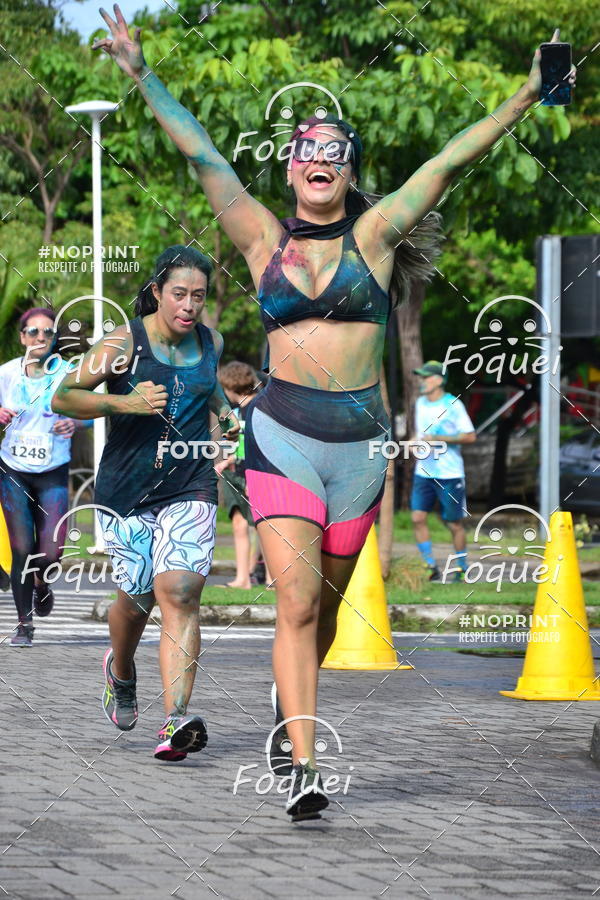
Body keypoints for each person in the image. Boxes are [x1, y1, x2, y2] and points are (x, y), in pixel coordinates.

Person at [93, 7, 575, 819]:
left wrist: (528, 93)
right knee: (298, 603)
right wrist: (143, 75)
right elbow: (202, 150)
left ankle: (289, 715)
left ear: (349, 171)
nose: (321, 161)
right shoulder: (256, 239)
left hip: (359, 456)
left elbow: (452, 155)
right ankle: (306, 766)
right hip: (282, 442)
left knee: (325, 610)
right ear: (290, 169)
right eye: (308, 151)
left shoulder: (379, 235)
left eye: (335, 153)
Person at [52, 245, 238, 762]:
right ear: (157, 292)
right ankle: (122, 669)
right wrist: (123, 402)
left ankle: (176, 718)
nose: (189, 306)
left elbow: (210, 394)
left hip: (191, 484)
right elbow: (64, 396)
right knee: (135, 602)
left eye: (198, 296)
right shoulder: (122, 343)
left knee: (179, 592)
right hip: (126, 491)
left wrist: (229, 421)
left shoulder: (211, 342)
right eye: (179, 294)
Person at [0, 307, 87, 647]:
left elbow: (94, 412)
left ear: (54, 339)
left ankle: (41, 582)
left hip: (52, 469)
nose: (39, 338)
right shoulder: (6, 373)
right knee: (22, 547)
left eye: (47, 333)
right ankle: (24, 625)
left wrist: (76, 422)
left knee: (50, 553)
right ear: (22, 337)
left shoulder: (67, 373)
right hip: (12, 470)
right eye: (33, 332)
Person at [410, 361, 476, 582]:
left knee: (453, 523)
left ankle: (462, 567)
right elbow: (421, 435)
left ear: (439, 380)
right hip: (424, 472)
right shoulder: (419, 403)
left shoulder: (453, 405)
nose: (422, 381)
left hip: (449, 474)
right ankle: (430, 566)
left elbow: (469, 436)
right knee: (417, 518)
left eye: (426, 377)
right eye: (421, 377)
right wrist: (414, 442)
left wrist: (438, 438)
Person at [215, 361, 263, 590]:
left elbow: (260, 446)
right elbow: (242, 445)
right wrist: (227, 462)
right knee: (238, 524)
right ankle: (242, 578)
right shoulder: (237, 413)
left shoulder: (259, 408)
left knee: (262, 527)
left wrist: (252, 477)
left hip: (254, 474)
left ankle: (272, 578)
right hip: (236, 472)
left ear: (230, 386)